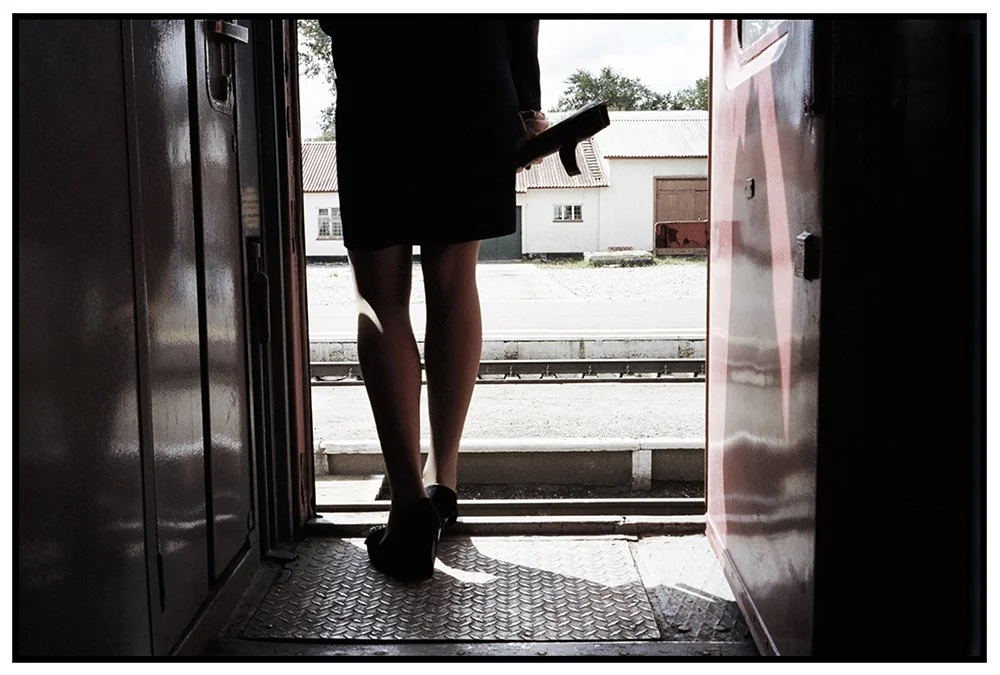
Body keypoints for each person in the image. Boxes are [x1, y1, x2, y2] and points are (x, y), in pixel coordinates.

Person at [318, 18, 548, 581]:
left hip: (378, 67)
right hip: (475, 68)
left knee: (380, 299)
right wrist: (526, 103)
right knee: (453, 283)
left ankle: (409, 508)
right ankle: (443, 484)